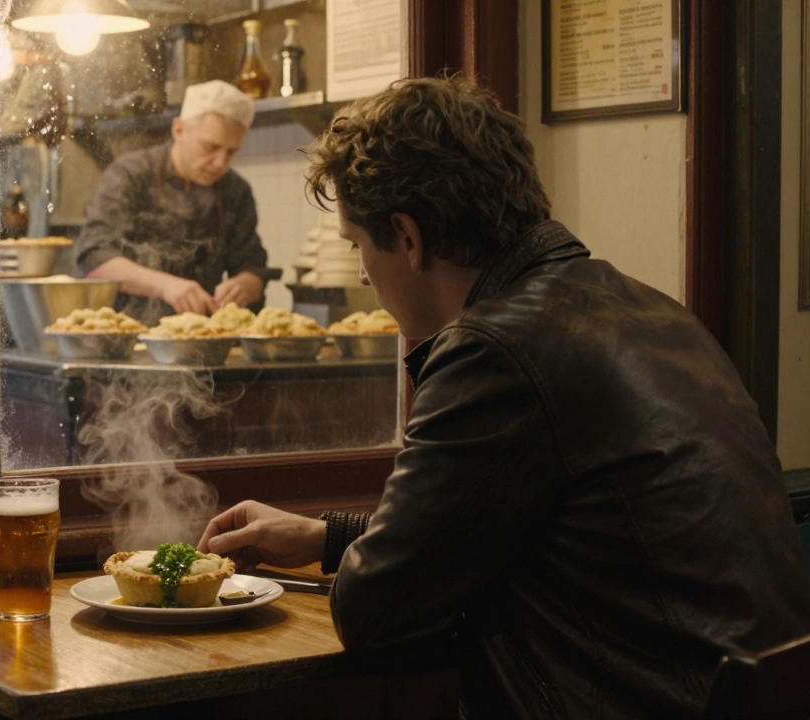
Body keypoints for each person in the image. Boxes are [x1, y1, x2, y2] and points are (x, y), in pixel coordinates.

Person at [197, 77, 810, 719]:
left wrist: (359, 559)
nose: (360, 273)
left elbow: (377, 612)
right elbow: (516, 529)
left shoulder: (494, 348)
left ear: (408, 238)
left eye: (357, 245)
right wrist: (329, 536)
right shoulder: (650, 310)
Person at [75, 80, 281, 325]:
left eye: (231, 152)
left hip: (201, 336)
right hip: (124, 334)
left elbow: (252, 264)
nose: (220, 163)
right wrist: (165, 286)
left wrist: (246, 284)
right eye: (210, 147)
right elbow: (95, 258)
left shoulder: (235, 190)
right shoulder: (129, 176)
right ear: (179, 130)